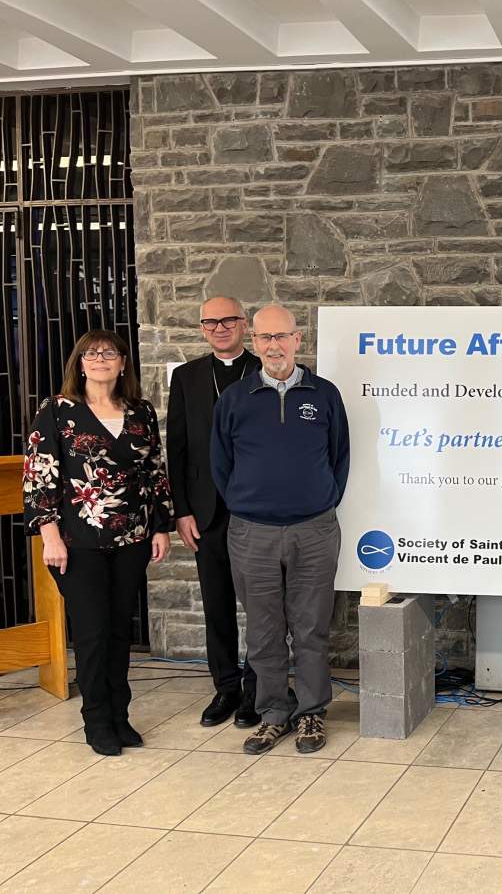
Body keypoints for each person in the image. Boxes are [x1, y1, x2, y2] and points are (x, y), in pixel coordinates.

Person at [22, 331, 173, 756]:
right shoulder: (56, 411)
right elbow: (39, 477)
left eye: (109, 353)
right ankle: (97, 720)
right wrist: (49, 535)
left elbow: (154, 474)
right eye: (92, 353)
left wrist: (159, 526)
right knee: (91, 633)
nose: (101, 359)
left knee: (118, 631)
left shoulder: (140, 412)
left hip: (132, 538)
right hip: (76, 541)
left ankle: (120, 716)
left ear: (123, 363)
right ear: (80, 363)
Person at [211, 304, 349, 755]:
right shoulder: (234, 399)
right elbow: (221, 464)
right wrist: (248, 502)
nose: (273, 345)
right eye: (264, 337)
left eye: (281, 336)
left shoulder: (324, 395)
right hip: (253, 533)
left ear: (298, 339)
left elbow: (339, 457)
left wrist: (319, 500)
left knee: (311, 628)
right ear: (254, 342)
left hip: (314, 530)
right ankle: (273, 714)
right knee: (264, 632)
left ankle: (311, 713)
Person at [167, 296, 262, 729]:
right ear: (202, 329)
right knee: (216, 606)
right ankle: (227, 687)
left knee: (264, 606)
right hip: (206, 513)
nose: (220, 328)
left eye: (228, 320)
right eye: (210, 323)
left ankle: (258, 689)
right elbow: (178, 448)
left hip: (257, 511)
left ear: (244, 325)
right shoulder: (186, 377)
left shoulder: (266, 371)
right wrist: (181, 511)